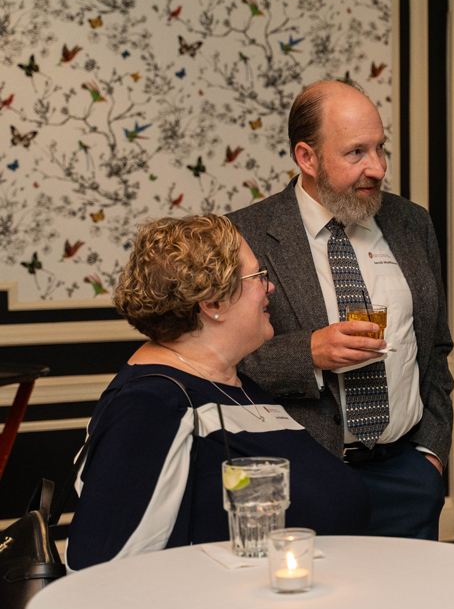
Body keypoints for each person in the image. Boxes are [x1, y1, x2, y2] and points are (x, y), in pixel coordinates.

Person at [66, 215, 371, 571]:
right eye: (257, 276)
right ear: (213, 304)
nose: (268, 288)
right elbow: (101, 569)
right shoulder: (150, 405)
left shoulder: (234, 383)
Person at [229, 81, 453, 540]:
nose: (377, 168)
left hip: (407, 476)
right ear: (307, 158)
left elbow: (435, 346)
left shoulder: (412, 223)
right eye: (356, 153)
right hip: (303, 481)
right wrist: (307, 353)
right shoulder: (245, 234)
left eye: (380, 148)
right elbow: (221, 359)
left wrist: (431, 454)